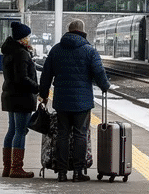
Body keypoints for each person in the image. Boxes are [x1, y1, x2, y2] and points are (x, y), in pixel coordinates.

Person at [38, 19, 110, 182]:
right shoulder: (89, 51)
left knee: (62, 135)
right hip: (82, 101)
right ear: (83, 32)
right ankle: (78, 172)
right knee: (80, 134)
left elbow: (46, 74)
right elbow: (99, 72)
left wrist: (43, 94)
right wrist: (105, 86)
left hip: (62, 100)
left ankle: (62, 172)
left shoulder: (56, 50)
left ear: (68, 31)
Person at [0, 21, 38, 179]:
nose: (29, 39)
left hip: (11, 95)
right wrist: (38, 88)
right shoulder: (21, 53)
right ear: (22, 38)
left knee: (12, 130)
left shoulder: (10, 51)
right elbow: (23, 78)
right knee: (20, 131)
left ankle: (7, 167)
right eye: (27, 36)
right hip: (21, 97)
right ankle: (16, 168)